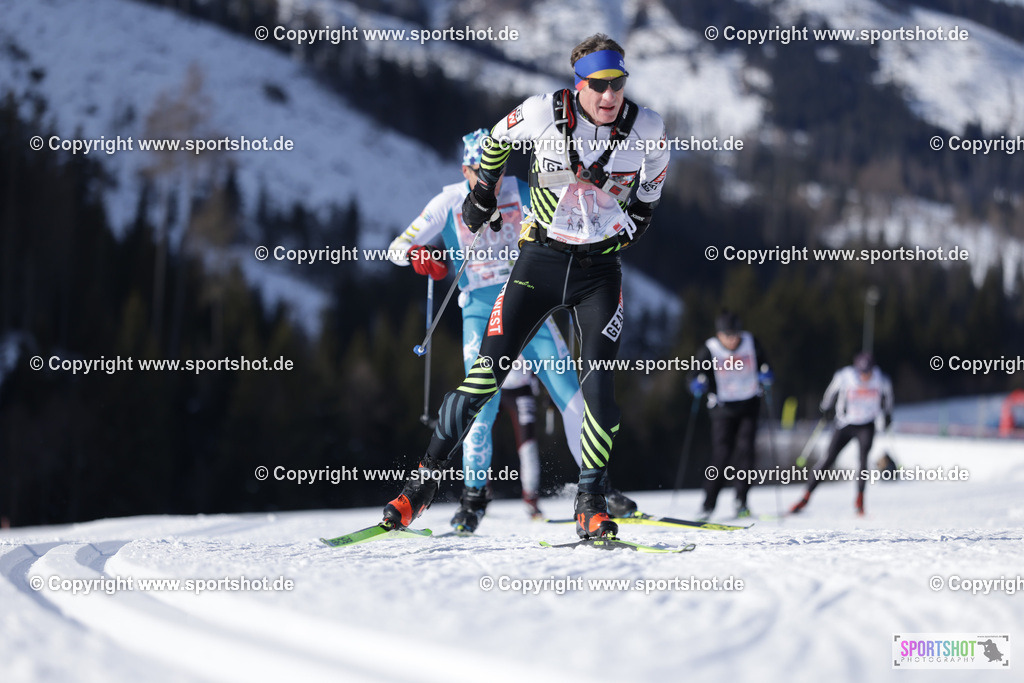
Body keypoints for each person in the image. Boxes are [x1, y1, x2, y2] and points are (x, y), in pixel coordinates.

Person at [382, 34, 668, 539]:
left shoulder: (647, 128)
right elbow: (495, 142)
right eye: (598, 86)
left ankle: (591, 499)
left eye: (617, 85)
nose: (609, 97)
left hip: (599, 273)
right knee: (481, 385)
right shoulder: (541, 113)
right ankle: (421, 488)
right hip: (537, 265)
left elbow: (650, 190)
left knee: (597, 392)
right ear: (577, 84)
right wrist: (480, 196)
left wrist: (631, 225)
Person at [386, 130, 634, 533]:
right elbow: (398, 246)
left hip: (527, 301)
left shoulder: (524, 189)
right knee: (481, 406)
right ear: (466, 169)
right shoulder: (449, 201)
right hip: (480, 311)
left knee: (574, 396)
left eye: (498, 171)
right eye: (482, 172)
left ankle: (597, 488)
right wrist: (420, 255)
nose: (492, 181)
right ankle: (473, 499)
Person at [688, 311, 773, 520]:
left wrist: (767, 375)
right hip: (723, 408)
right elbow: (693, 375)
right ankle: (708, 504)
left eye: (735, 334)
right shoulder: (710, 349)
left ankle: (741, 501)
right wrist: (695, 384)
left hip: (749, 404)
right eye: (727, 335)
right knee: (721, 455)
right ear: (719, 335)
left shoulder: (751, 342)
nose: (733, 339)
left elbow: (766, 365)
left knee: (746, 452)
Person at [790, 352, 894, 516]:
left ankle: (860, 501)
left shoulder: (881, 379)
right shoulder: (844, 376)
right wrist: (826, 408)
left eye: (868, 372)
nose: (865, 376)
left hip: (867, 424)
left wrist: (887, 414)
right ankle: (805, 497)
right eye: (862, 372)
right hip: (845, 423)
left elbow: (888, 398)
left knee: (862, 462)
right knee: (828, 460)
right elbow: (831, 392)